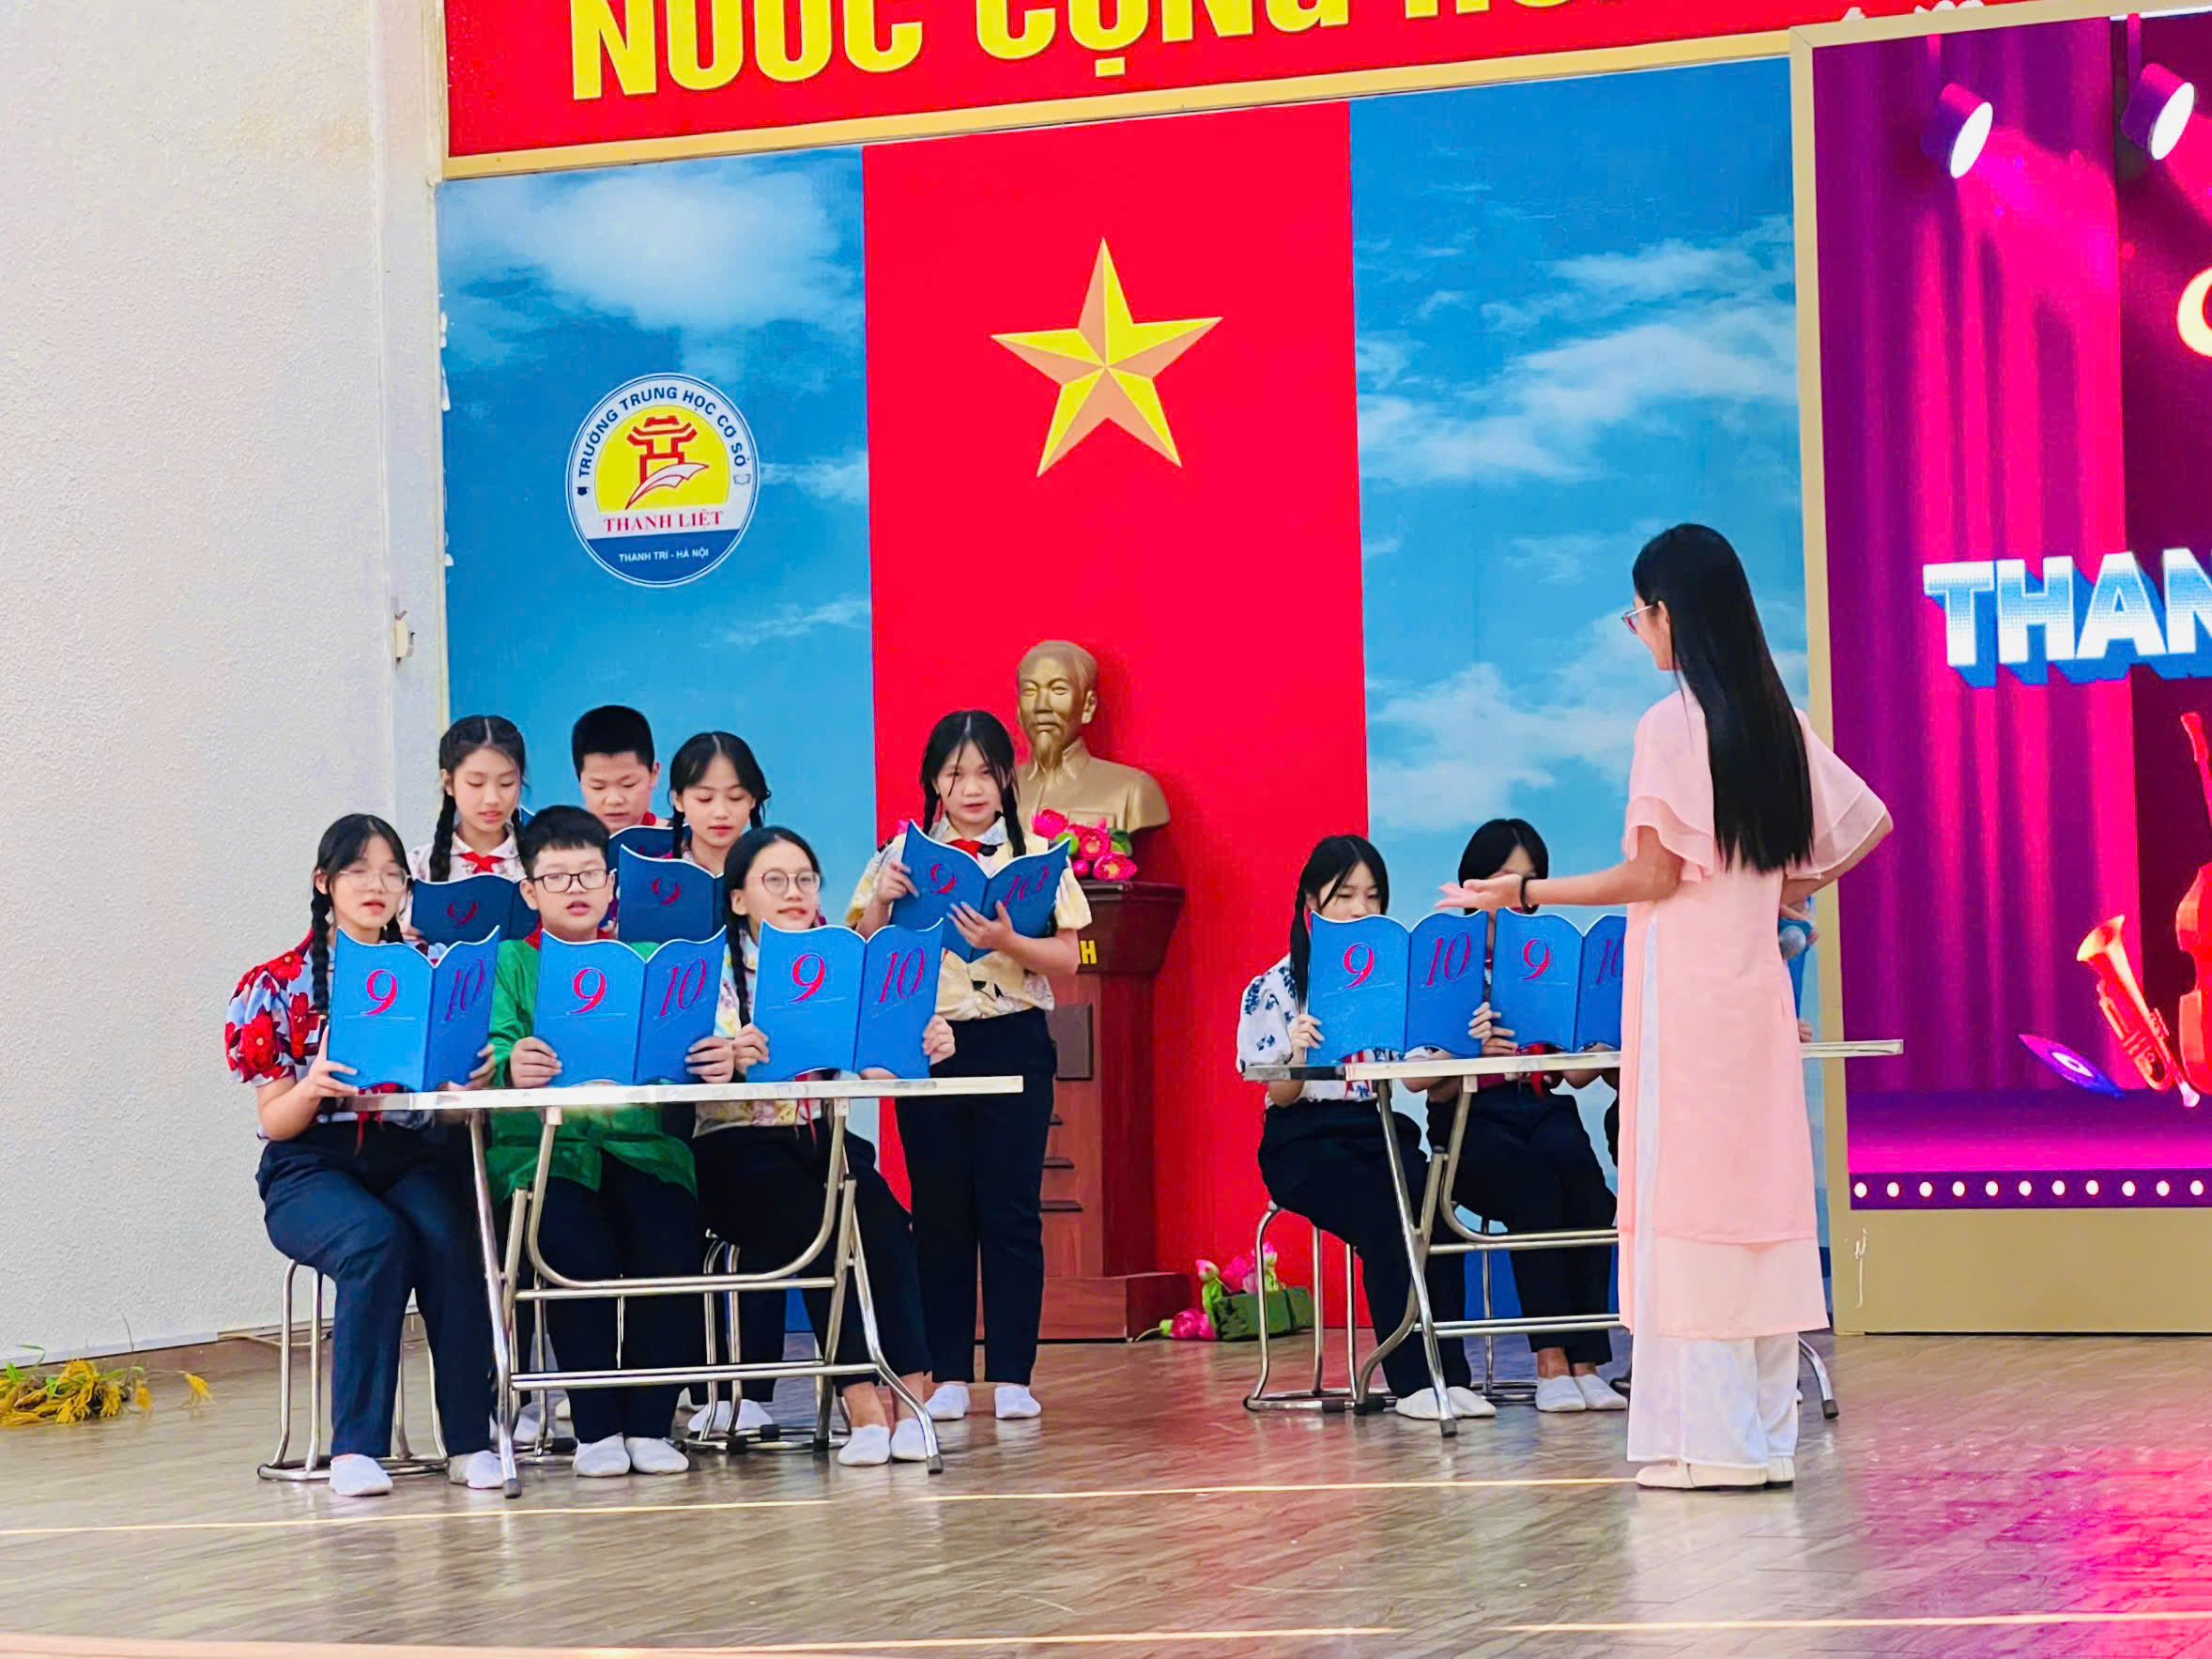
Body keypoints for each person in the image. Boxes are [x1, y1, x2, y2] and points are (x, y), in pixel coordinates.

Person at [1442, 525, 1890, 1492]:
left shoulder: (1670, 724)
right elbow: (1861, 828)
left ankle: (1705, 1444)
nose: (1637, 628)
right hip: (1753, 997)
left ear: (1669, 612)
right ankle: (1760, 1439)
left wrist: (1523, 894)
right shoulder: (1774, 719)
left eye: (1639, 611)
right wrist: (1773, 891)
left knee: (1689, 1208)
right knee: (1753, 1208)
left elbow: (1651, 874)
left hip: (1687, 1002)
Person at [224, 814, 503, 1497]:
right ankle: (356, 1447)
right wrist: (312, 1086)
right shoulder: (277, 983)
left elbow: (448, 1107)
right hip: (309, 1164)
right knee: (374, 1240)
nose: (376, 886)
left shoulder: (433, 971)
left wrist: (467, 1084)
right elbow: (275, 1120)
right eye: (357, 871)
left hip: (407, 1151)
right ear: (324, 882)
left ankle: (471, 1441)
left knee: (450, 1237)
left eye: (391, 874)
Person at [850, 711, 1089, 1423]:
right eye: (956, 773)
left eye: (987, 771)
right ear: (934, 780)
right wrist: (883, 901)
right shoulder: (900, 855)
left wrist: (1009, 938)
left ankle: (1014, 1371)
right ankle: (948, 1368)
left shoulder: (1038, 853)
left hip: (1014, 1038)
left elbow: (1070, 958)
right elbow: (864, 951)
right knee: (940, 1206)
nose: (973, 787)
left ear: (1007, 777)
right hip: (930, 1043)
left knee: (1011, 1208)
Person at [488, 806, 734, 1478]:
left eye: (590, 873)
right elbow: (494, 1046)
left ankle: (651, 1423)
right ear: (529, 890)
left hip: (640, 1145)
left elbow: (697, 1045)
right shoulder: (509, 962)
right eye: (557, 876)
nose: (576, 888)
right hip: (542, 1154)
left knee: (670, 1236)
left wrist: (714, 1058)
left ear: (612, 884)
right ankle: (596, 1427)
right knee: (576, 1245)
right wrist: (513, 1062)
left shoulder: (652, 960)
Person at [698, 826, 950, 1465]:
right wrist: (728, 1055)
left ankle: (913, 1397)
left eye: (805, 879)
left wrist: (925, 1041)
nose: (793, 893)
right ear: (738, 899)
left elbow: (880, 1060)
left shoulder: (840, 963)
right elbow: (683, 1062)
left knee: (885, 1220)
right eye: (774, 881)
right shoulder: (708, 971)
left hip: (823, 1139)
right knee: (820, 1223)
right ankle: (860, 1402)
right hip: (737, 1147)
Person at [1237, 834, 1487, 1423]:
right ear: (1311, 900)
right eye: (1345, 894)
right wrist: (1296, 1050)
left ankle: (1450, 1376)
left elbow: (1419, 1077)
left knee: (1433, 1211)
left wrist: (1459, 1040)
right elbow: (1279, 1092)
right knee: (1387, 1218)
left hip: (1378, 1130)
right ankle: (1411, 1382)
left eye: (1373, 896)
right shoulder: (1274, 985)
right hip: (1304, 1140)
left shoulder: (1395, 983)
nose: (1360, 908)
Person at [1425, 820, 1622, 1414]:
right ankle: (1550, 1362)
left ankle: (1589, 1362)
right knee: (1533, 1187)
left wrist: (1595, 1040)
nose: (1518, 897)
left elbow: (1573, 1076)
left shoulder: (1551, 961)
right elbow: (1419, 1079)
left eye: (1530, 883)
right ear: (1473, 885)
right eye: (1506, 881)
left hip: (1540, 1104)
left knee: (1589, 1192)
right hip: (1471, 1117)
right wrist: (1470, 1051)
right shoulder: (1446, 961)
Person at [663, 730, 779, 1439]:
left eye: (736, 796)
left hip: (751, 1099)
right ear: (677, 799)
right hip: (668, 1084)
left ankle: (750, 1387)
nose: (720, 811)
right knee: (674, 1221)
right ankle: (687, 1380)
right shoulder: (655, 884)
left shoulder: (775, 873)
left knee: (762, 1202)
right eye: (704, 796)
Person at [409, 715, 527, 885]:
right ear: (448, 783)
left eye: (506, 783)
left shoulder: (544, 863)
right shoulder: (418, 868)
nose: (492, 799)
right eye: (476, 783)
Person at [572, 705, 666, 837]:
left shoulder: (682, 841)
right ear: (579, 778)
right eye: (598, 787)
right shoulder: (557, 846)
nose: (614, 800)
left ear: (653, 774)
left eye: (628, 784)